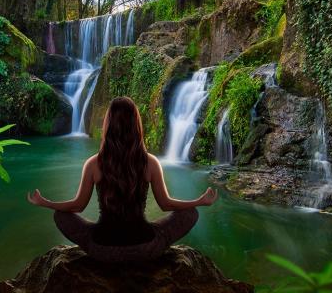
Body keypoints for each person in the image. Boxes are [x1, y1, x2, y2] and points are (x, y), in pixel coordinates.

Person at [27, 96, 218, 262]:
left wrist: (45, 203)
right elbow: (166, 204)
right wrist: (199, 201)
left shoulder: (93, 164)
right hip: (146, 249)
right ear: (136, 124)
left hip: (101, 250)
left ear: (108, 124)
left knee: (60, 215)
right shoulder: (150, 163)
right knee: (190, 213)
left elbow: (77, 206)